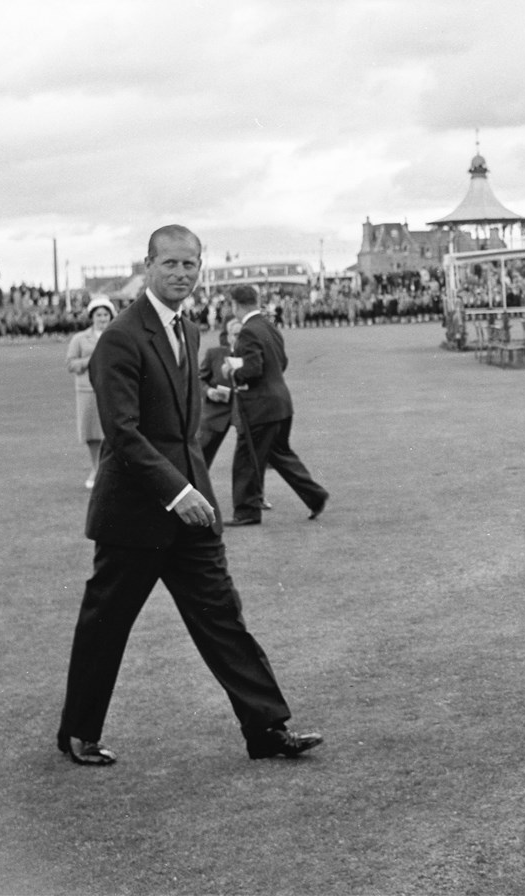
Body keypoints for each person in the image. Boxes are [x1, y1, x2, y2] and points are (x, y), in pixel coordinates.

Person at [56, 225, 323, 765]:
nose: (182, 273)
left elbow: (184, 429)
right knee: (105, 626)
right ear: (148, 265)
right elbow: (123, 433)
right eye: (171, 263)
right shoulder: (122, 338)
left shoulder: (191, 328)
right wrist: (178, 493)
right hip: (135, 516)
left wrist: (196, 492)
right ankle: (78, 733)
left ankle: (267, 729)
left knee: (224, 619)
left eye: (190, 265)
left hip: (192, 513)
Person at [223, 285, 329, 527]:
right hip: (280, 403)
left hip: (260, 408)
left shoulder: (248, 331)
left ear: (236, 305)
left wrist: (233, 368)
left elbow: (253, 369)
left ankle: (247, 511)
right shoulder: (269, 326)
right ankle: (315, 496)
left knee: (246, 459)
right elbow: (281, 362)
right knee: (280, 454)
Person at [65, 295, 115, 489]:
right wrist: (92, 359)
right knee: (92, 433)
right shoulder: (79, 339)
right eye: (98, 315)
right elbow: (70, 364)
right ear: (92, 317)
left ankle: (109, 471)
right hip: (88, 390)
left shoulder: (117, 336)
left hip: (113, 390)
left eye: (105, 315)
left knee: (111, 432)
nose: (102, 319)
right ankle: (96, 468)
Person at [197, 317, 241, 467]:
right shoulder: (214, 354)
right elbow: (199, 379)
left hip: (241, 416)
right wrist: (208, 391)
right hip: (215, 414)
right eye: (236, 335)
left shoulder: (252, 357)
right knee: (199, 460)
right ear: (228, 337)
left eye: (243, 335)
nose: (239, 339)